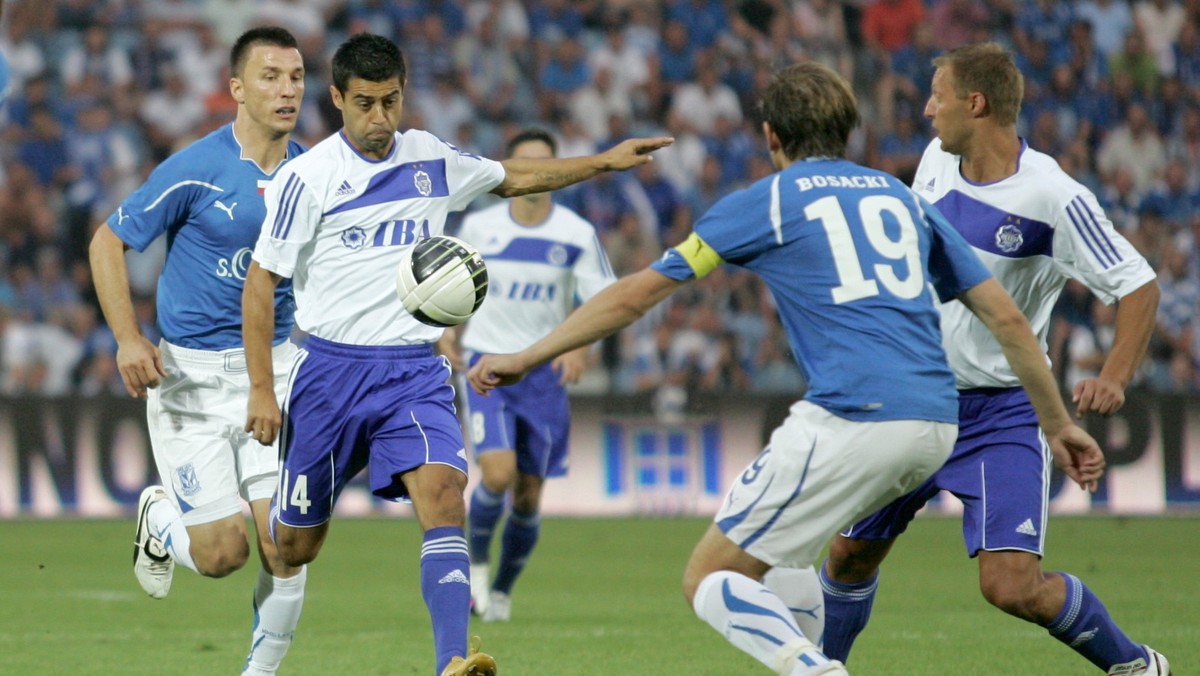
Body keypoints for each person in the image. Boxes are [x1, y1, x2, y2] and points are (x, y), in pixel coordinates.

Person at [466, 61, 1105, 676]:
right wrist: (1058, 424)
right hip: (939, 420)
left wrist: (527, 355)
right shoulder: (900, 195)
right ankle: (812, 655)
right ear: (847, 128)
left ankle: (814, 669)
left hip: (853, 414)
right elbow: (1010, 320)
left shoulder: (768, 201)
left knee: (710, 578)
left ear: (771, 135)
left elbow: (638, 292)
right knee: (787, 562)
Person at [240, 33, 670, 676]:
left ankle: (453, 662)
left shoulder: (430, 157)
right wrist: (261, 390)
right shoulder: (309, 177)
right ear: (335, 99)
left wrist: (603, 162)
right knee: (293, 549)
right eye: (364, 103)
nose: (380, 118)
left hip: (414, 370)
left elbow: (513, 175)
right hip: (327, 373)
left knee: (445, 497)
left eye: (390, 101)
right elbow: (260, 283)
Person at [819, 42, 1168, 676]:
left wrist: (1115, 377)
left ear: (974, 103)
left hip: (999, 412)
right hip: (912, 399)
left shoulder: (1054, 197)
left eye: (938, 96)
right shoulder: (934, 160)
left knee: (1011, 586)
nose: (927, 110)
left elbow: (1139, 285)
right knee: (848, 555)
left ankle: (1138, 665)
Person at [87, 27, 308, 676]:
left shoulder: (316, 173)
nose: (287, 89)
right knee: (221, 556)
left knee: (286, 544)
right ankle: (159, 520)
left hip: (275, 373)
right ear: (236, 89)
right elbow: (107, 243)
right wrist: (128, 337)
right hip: (189, 380)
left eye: (296, 76)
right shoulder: (195, 169)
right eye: (270, 76)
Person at [437, 128, 616, 623]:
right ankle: (474, 568)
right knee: (498, 473)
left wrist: (580, 347)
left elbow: (605, 301)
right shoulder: (480, 225)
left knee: (530, 494)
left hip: (541, 373)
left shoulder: (577, 234)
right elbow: (452, 286)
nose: (536, 175)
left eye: (546, 165)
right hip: (486, 365)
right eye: (525, 165)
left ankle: (502, 590)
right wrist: (448, 332)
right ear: (508, 172)